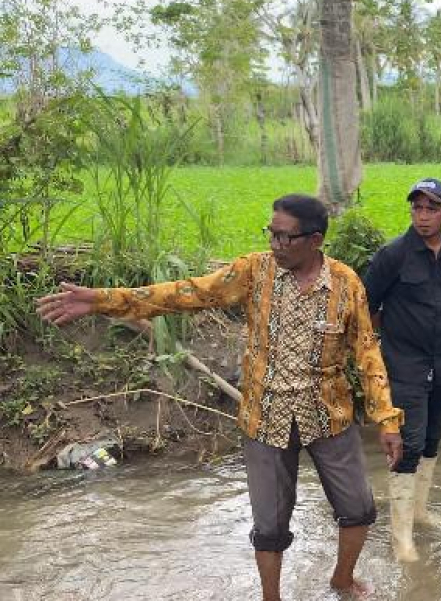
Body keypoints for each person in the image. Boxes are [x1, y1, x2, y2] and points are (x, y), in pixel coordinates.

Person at [36, 194, 403, 601]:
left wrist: (387, 420)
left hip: (329, 414)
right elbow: (184, 293)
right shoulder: (253, 272)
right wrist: (102, 301)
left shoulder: (346, 284)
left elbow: (367, 352)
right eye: (271, 234)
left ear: (315, 240)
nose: (275, 244)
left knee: (358, 509)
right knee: (269, 527)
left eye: (285, 237)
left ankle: (342, 580)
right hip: (264, 418)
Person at [362, 177, 441, 562]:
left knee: (432, 439)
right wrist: (385, 344)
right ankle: (401, 540)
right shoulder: (393, 255)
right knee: (408, 444)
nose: (423, 216)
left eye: (431, 208)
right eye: (417, 207)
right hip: (405, 365)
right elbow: (366, 306)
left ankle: (420, 513)